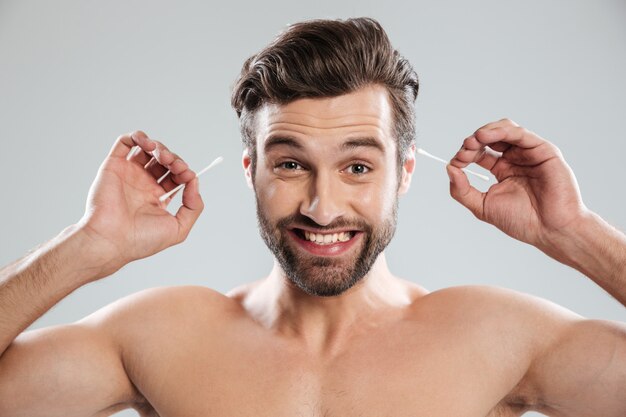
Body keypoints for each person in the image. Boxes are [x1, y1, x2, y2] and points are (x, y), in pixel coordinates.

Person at [0, 17, 624, 417]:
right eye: (291, 165)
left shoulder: (495, 336)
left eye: (357, 168)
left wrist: (577, 235)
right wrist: (87, 246)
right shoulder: (163, 335)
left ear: (404, 172)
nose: (323, 208)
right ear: (252, 171)